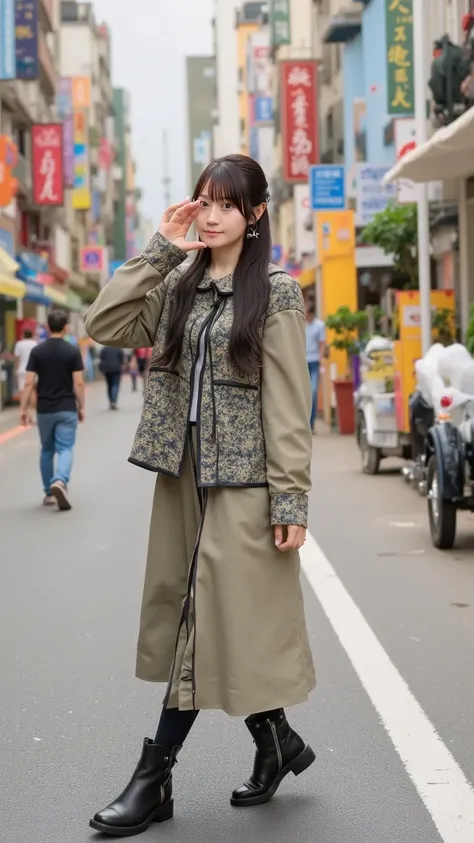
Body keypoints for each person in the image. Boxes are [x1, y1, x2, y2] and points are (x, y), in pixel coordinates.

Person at [85, 154, 315, 837]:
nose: (211, 215)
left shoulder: (274, 292)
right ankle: (277, 742)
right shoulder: (179, 285)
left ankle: (153, 777)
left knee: (199, 620)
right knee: (204, 618)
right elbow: (104, 323)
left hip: (242, 483)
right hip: (181, 476)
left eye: (226, 204)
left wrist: (292, 500)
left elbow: (287, 401)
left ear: (255, 214)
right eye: (203, 202)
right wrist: (159, 249)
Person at [19, 310, 85, 510]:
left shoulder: (37, 351)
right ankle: (60, 480)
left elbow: (29, 382)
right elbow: (79, 383)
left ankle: (49, 492)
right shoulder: (72, 351)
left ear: (48, 327)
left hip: (44, 409)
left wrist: (23, 409)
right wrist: (81, 406)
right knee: (65, 448)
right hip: (66, 407)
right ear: (66, 327)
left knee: (47, 449)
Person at [305, 300, 326, 432]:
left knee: (313, 391)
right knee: (302, 393)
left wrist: (322, 361)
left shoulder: (319, 325)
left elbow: (322, 344)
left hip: (314, 362)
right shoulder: (300, 323)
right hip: (302, 361)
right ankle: (304, 422)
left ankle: (311, 423)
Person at [99, 345, 124, 409]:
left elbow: (101, 358)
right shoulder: (118, 349)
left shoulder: (104, 349)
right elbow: (122, 360)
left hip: (107, 370)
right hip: (116, 369)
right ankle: (114, 401)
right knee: (115, 385)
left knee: (109, 385)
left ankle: (111, 401)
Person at [14, 327, 37, 394]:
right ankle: (33, 404)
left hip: (22, 369)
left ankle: (24, 404)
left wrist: (16, 368)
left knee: (23, 389)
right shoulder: (35, 343)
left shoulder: (19, 344)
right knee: (32, 389)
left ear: (23, 335)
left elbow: (17, 358)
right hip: (33, 369)